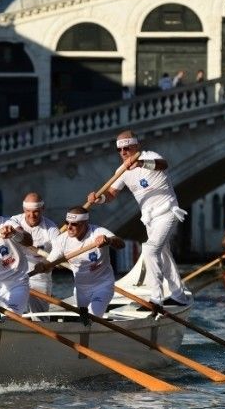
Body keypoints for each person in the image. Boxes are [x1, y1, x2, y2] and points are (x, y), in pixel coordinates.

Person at [87, 130, 189, 313]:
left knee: (149, 249)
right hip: (150, 219)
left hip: (167, 212)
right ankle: (179, 296)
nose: (124, 152)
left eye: (127, 148)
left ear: (136, 146)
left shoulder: (150, 157)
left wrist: (140, 163)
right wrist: (98, 199)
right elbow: (110, 194)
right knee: (164, 255)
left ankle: (156, 300)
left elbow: (163, 164)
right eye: (120, 149)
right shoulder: (122, 171)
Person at [34, 207, 124, 318]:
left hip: (102, 285)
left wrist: (109, 240)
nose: (69, 227)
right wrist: (42, 266)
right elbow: (49, 263)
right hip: (81, 289)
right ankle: (89, 333)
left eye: (74, 224)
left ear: (85, 223)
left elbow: (121, 244)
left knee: (93, 316)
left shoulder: (98, 232)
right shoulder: (62, 240)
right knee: (85, 322)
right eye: (67, 223)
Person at [6, 192, 60, 313]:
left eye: (36, 211)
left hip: (39, 277)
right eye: (28, 211)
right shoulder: (14, 221)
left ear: (43, 209)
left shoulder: (51, 229)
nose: (32, 215)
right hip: (14, 276)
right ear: (24, 209)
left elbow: (58, 251)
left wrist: (47, 264)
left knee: (40, 317)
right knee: (11, 312)